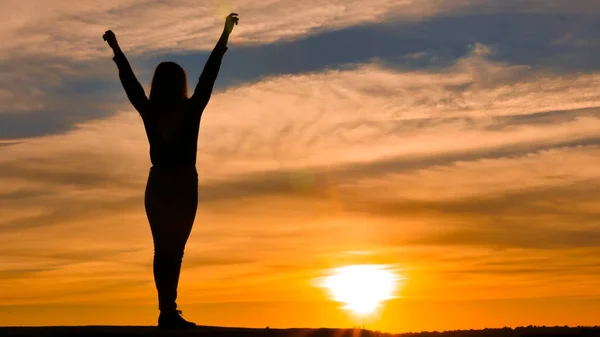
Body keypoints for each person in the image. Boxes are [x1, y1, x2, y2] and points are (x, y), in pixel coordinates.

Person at [103, 13, 239, 329]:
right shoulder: (191, 109)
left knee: (163, 249)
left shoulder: (151, 109)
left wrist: (116, 48)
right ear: (181, 84)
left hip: (161, 183)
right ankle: (168, 311)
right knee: (172, 251)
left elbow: (131, 85)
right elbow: (209, 76)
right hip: (180, 184)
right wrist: (223, 37)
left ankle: (167, 311)